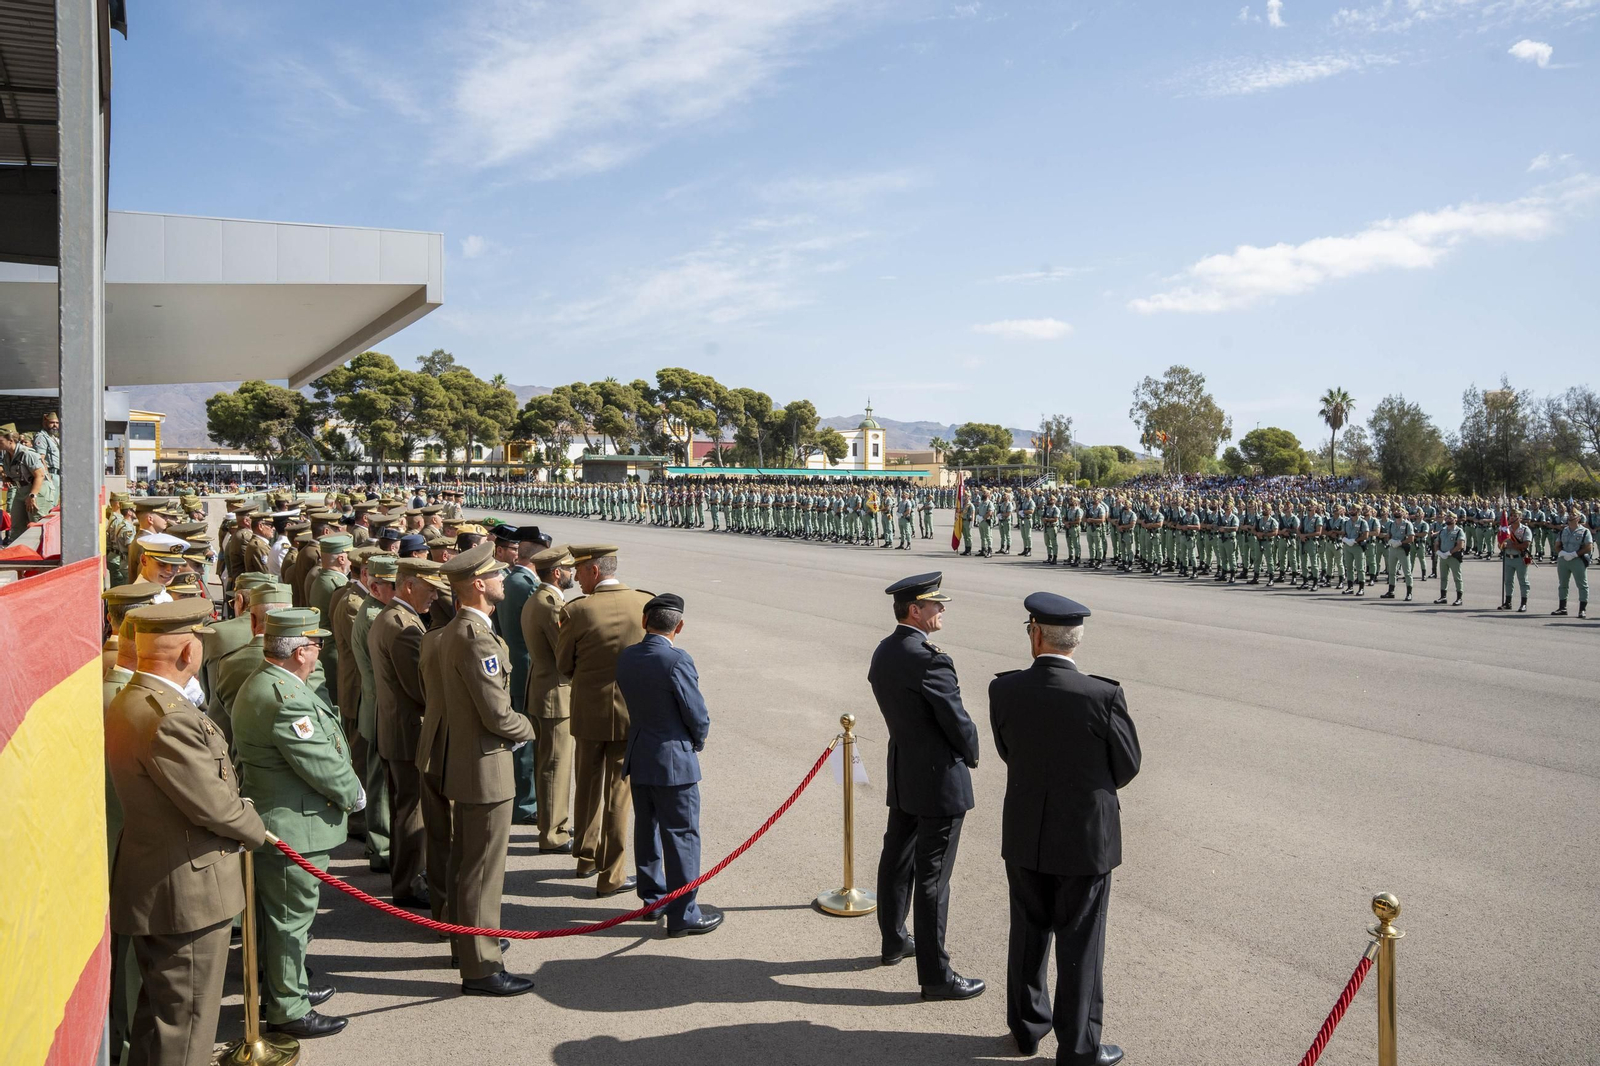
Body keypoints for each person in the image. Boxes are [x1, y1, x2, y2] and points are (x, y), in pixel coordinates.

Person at [105, 599, 268, 1066]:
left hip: (160, 881)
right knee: (187, 1031)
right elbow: (216, 806)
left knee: (158, 1022)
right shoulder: (168, 716)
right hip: (189, 893)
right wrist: (255, 827)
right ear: (186, 653)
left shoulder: (134, 698)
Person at [989, 593, 1140, 1066]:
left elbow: (1006, 749)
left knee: (1028, 932)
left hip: (1026, 830)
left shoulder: (1006, 689)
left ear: (1036, 634)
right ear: (1076, 640)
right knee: (1080, 942)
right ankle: (1078, 1048)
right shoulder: (1102, 695)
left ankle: (1027, 1028)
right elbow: (1128, 765)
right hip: (1083, 838)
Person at [232, 606, 363, 1038]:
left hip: (282, 822)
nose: (321, 650)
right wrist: (353, 794)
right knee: (290, 922)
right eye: (315, 644)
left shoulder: (273, 683)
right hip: (293, 828)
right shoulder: (284, 698)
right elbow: (319, 761)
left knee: (279, 920)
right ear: (299, 651)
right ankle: (288, 1008)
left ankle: (286, 990)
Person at [416, 542, 537, 996]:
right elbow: (498, 716)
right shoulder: (475, 638)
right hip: (484, 768)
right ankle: (482, 965)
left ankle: (465, 944)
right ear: (477, 585)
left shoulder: (444, 634)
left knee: (464, 864)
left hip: (458, 762)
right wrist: (531, 727)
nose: (503, 579)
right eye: (495, 575)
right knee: (482, 871)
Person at [869, 572, 983, 1000]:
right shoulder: (930, 659)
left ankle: (893, 939)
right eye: (935, 604)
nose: (942, 610)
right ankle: (936, 977)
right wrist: (971, 752)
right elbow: (956, 720)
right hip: (938, 779)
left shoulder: (886, 650)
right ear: (914, 610)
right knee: (933, 877)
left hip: (904, 771)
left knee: (896, 859)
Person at [615, 592, 722, 936]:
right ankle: (683, 913)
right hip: (674, 759)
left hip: (640, 754)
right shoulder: (677, 660)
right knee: (682, 836)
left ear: (645, 622)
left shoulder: (627, 657)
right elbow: (696, 713)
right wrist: (698, 741)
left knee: (647, 831)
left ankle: (653, 901)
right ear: (680, 626)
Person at [556, 545, 653, 897]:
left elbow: (563, 664)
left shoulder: (577, 610)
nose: (576, 578)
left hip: (589, 710)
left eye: (579, 571)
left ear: (594, 571)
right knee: (618, 794)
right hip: (630, 712)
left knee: (586, 786)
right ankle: (611, 872)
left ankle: (585, 858)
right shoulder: (644, 603)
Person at [369, 557, 447, 905]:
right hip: (408, 733)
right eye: (430, 590)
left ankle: (405, 879)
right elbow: (419, 688)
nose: (434, 597)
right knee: (412, 814)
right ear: (410, 586)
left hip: (395, 729)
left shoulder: (393, 618)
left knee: (405, 810)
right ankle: (409, 885)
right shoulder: (404, 627)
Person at [521, 544, 578, 854]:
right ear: (557, 573)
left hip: (542, 689)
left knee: (547, 764)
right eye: (568, 569)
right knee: (555, 766)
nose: (571, 574)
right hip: (556, 694)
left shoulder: (539, 599)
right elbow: (565, 652)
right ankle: (554, 834)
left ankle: (549, 824)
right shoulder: (552, 604)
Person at [492, 525, 542, 825]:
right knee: (525, 740)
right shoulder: (526, 584)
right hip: (525, 669)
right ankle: (524, 804)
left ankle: (520, 798)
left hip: (512, 665)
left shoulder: (510, 580)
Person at [1552, 509, 1593, 618]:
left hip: (1577, 560)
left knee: (1582, 585)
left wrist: (1575, 554)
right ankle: (1562, 608)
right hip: (1564, 560)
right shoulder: (1563, 531)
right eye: (1569, 514)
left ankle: (1582, 609)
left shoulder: (1584, 531)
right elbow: (1557, 545)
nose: (1570, 516)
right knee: (1563, 584)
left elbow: (1589, 546)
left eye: (1573, 515)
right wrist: (1562, 553)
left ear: (1579, 518)